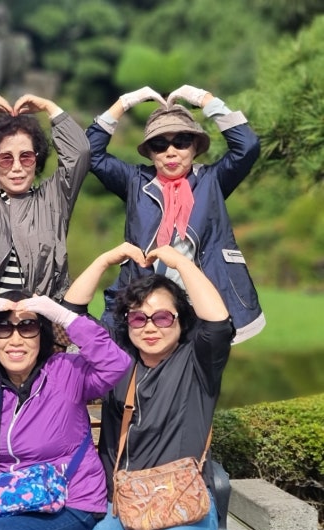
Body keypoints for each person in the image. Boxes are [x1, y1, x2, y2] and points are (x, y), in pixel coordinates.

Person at [65, 243, 234, 530]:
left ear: (181, 321)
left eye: (163, 318)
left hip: (185, 504)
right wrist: (104, 259)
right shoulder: (115, 359)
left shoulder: (198, 362)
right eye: (138, 319)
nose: (151, 327)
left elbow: (218, 323)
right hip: (123, 504)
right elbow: (72, 313)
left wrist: (181, 263)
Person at [0, 290, 132, 530]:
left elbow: (116, 364)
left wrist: (64, 317)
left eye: (28, 326)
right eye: (3, 327)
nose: (15, 340)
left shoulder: (67, 371)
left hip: (70, 502)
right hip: (9, 500)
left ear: (42, 334)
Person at [87, 84, 264, 343]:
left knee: (199, 368)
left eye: (181, 142)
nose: (171, 152)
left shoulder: (211, 180)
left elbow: (247, 146)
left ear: (195, 146)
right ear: (150, 152)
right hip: (146, 306)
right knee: (130, 366)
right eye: (159, 145)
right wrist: (124, 102)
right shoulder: (135, 180)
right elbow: (90, 153)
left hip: (202, 304)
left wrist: (205, 99)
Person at [0, 93, 90, 324]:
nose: (17, 167)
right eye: (6, 158)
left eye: (26, 157)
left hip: (37, 325)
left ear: (37, 160)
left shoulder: (54, 199)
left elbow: (78, 153)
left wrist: (49, 106)